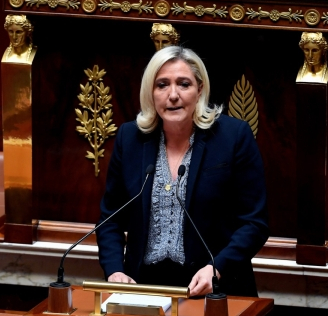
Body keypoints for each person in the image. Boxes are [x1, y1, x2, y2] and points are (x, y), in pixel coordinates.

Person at [96, 46, 269, 297]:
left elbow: (255, 223)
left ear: (200, 89)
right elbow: (110, 218)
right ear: (151, 93)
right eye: (162, 85)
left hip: (214, 287)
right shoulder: (130, 138)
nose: (173, 95)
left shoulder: (233, 137)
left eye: (184, 84)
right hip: (143, 289)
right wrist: (114, 271)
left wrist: (217, 268)